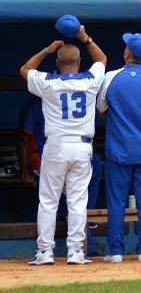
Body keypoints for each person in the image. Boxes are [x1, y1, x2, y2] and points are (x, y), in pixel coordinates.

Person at [21, 17, 106, 265]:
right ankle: (75, 252)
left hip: (56, 145)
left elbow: (25, 70)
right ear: (79, 63)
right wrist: (84, 37)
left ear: (58, 63)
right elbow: (101, 59)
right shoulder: (89, 80)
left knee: (48, 201)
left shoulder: (49, 82)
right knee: (77, 201)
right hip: (81, 146)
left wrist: (48, 49)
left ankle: (45, 252)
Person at [96, 31, 141, 263]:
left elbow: (101, 110)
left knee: (116, 202)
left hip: (119, 150)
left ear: (128, 53)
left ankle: (116, 252)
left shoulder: (111, 76)